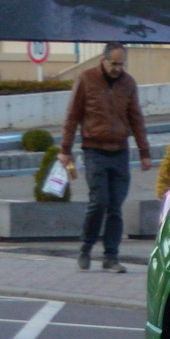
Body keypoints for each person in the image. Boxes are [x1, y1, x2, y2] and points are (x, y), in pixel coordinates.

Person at [59, 40, 151, 272]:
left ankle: (111, 257)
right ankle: (86, 247)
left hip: (120, 152)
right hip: (94, 151)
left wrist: (144, 153)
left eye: (121, 64)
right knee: (99, 202)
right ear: (104, 59)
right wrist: (65, 150)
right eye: (114, 63)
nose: (117, 68)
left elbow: (136, 119)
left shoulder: (128, 84)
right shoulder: (86, 79)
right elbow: (72, 116)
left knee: (115, 207)